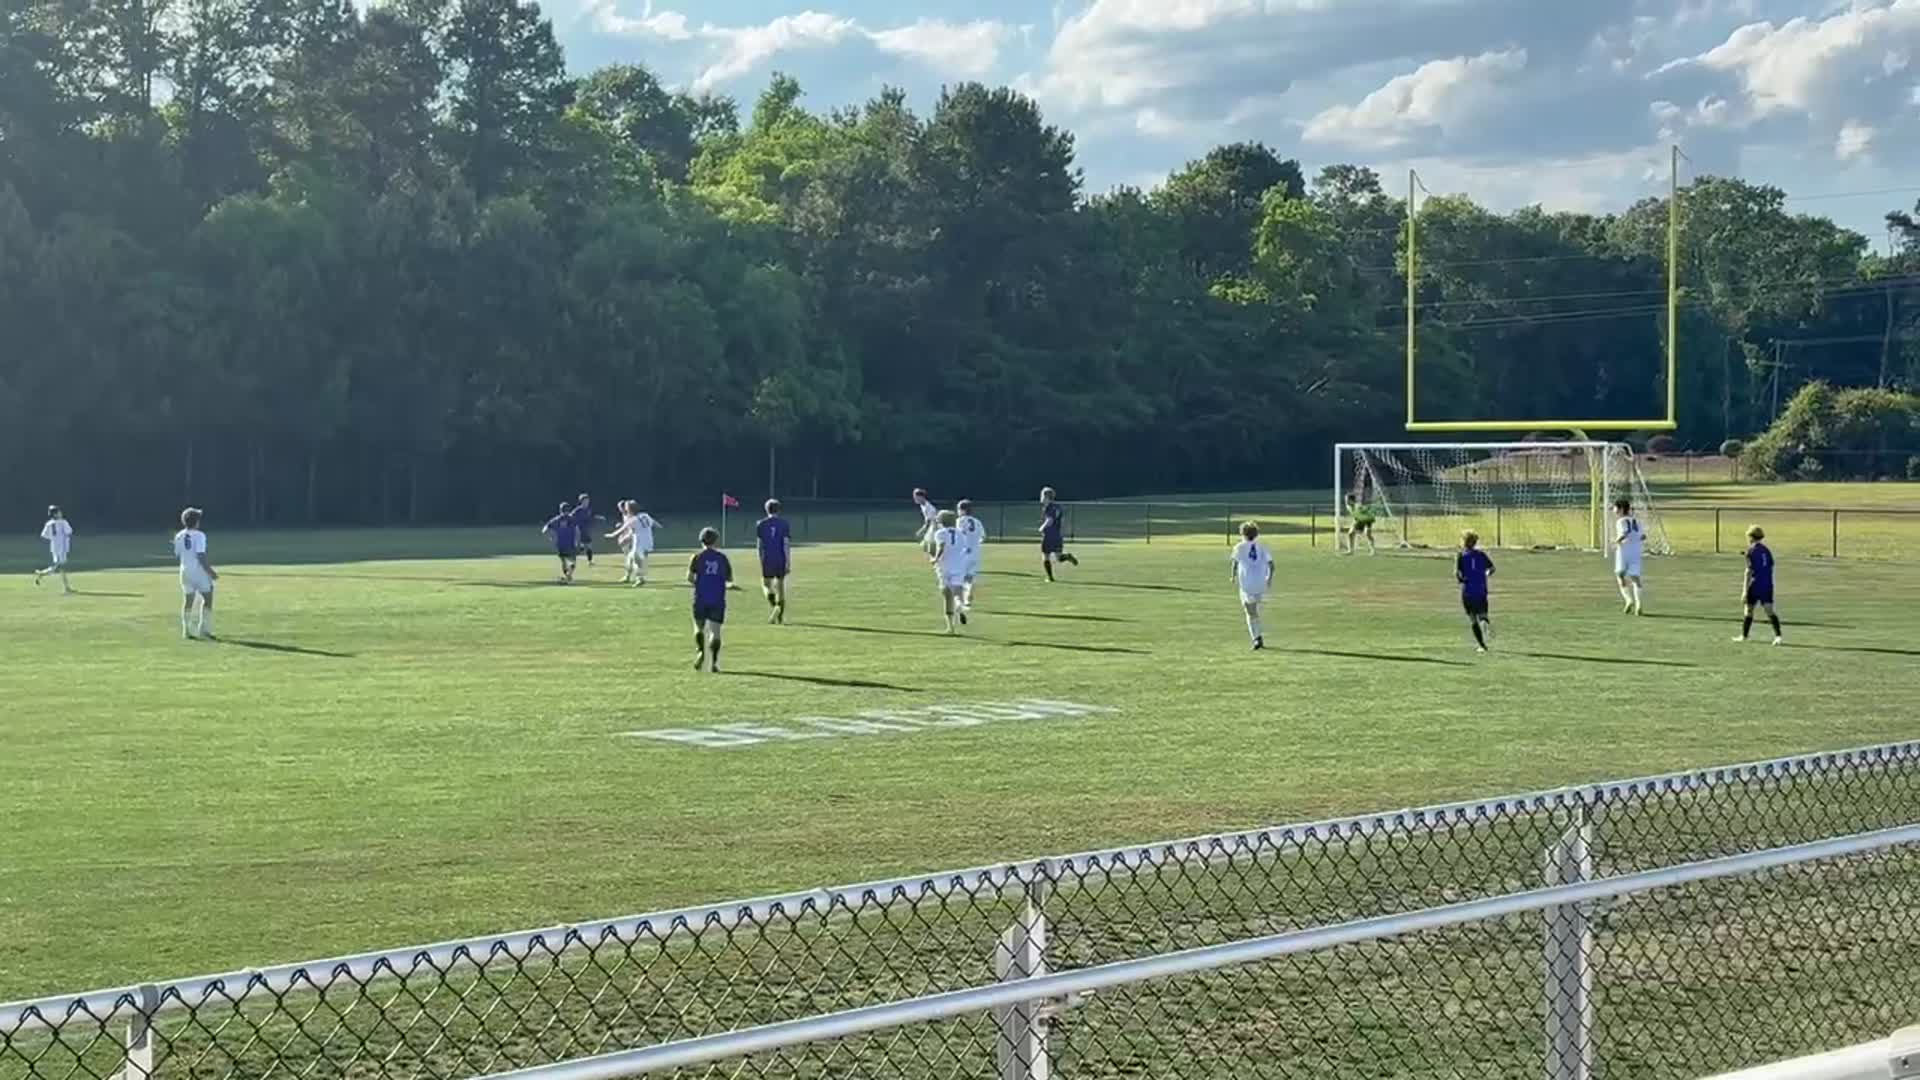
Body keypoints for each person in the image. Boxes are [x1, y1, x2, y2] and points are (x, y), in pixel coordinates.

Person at [688, 527, 735, 672]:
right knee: (715, 631)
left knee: (698, 627)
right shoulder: (722, 558)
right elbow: (730, 579)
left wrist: (700, 583)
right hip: (717, 598)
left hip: (700, 597)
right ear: (716, 541)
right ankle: (714, 662)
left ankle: (700, 651)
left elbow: (689, 578)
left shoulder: (696, 557)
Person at [1735, 525, 1783, 645]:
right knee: (1769, 610)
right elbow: (1771, 565)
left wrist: (1744, 591)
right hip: (1767, 584)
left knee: (1748, 610)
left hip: (1755, 584)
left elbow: (1748, 571)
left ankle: (1745, 636)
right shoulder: (1766, 550)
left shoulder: (1751, 551)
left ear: (1751, 537)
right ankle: (1778, 636)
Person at [174, 507, 218, 640]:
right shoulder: (200, 535)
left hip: (184, 571)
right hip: (198, 571)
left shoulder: (179, 535)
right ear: (196, 521)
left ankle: (186, 630)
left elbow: (177, 553)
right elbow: (201, 556)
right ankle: (203, 629)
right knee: (208, 598)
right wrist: (210, 572)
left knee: (188, 600)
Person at [1230, 521, 1273, 651]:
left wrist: (1232, 576)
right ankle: (1257, 636)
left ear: (1242, 534)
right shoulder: (1263, 546)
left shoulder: (1239, 547)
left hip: (1247, 585)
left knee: (1251, 613)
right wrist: (1268, 578)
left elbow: (1234, 563)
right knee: (1254, 611)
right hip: (1260, 584)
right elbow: (1272, 565)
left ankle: (1257, 638)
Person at [928, 509, 968, 633]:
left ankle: (950, 627)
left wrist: (935, 558)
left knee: (946, 594)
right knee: (957, 592)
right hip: (959, 566)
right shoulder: (961, 534)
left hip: (944, 566)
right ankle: (959, 606)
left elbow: (941, 546)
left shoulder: (940, 533)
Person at [1456, 529, 1496, 653]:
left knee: (1473, 618)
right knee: (1482, 614)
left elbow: (1458, 573)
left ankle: (1482, 645)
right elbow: (1492, 568)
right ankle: (1485, 624)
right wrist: (1485, 574)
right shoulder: (1481, 555)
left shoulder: (1461, 555)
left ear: (1464, 542)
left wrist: (1462, 580)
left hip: (1468, 591)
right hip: (1481, 589)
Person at [608, 501, 661, 586]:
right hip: (648, 542)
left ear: (629, 509)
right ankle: (630, 577)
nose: (625, 509)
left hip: (639, 543)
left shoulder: (633, 519)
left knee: (637, 561)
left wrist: (612, 535)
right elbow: (653, 522)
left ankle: (640, 579)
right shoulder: (644, 515)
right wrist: (660, 526)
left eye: (626, 507)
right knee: (631, 559)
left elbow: (622, 530)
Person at [756, 499, 792, 624]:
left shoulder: (761, 524)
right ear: (779, 510)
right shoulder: (784, 524)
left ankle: (774, 605)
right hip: (780, 558)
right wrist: (788, 561)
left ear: (766, 510)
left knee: (766, 585)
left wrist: (760, 559)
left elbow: (759, 546)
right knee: (780, 587)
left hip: (768, 558)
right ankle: (780, 615)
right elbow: (786, 544)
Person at [1613, 497, 1646, 615]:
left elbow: (1624, 532)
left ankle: (1628, 600)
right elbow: (1643, 536)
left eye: (1615, 507)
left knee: (1620, 574)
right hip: (1636, 551)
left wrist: (1617, 541)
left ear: (1621, 509)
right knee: (1635, 578)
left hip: (1624, 551)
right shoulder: (1637, 521)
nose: (1614, 509)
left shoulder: (1621, 521)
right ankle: (1639, 604)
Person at [1039, 487, 1078, 581]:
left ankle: (1050, 577)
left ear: (1047, 497)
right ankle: (1068, 556)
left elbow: (1050, 520)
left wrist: (1042, 528)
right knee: (1059, 557)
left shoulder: (1048, 508)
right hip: (1057, 535)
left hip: (1049, 536)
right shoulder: (1058, 507)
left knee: (1045, 556)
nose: (1041, 498)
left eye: (1042, 495)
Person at [35, 504, 75, 594]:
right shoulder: (63, 522)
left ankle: (41, 574)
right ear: (56, 514)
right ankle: (66, 588)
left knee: (58, 567)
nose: (61, 513)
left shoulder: (49, 524)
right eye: (59, 512)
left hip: (54, 547)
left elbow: (44, 535)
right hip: (62, 547)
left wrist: (53, 538)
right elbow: (69, 532)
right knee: (60, 567)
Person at [955, 499, 987, 611]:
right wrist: (975, 544)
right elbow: (983, 537)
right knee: (970, 576)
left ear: (963, 510)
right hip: (976, 552)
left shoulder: (960, 520)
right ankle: (969, 596)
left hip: (964, 552)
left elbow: (960, 534)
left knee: (960, 577)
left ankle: (961, 599)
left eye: (959, 509)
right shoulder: (977, 521)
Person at [543, 502, 580, 584]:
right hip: (570, 544)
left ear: (560, 510)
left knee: (564, 561)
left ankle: (567, 577)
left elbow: (546, 527)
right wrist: (577, 541)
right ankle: (568, 577)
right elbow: (577, 530)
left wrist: (549, 535)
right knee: (573, 561)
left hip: (560, 544)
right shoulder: (572, 519)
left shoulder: (557, 519)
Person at [571, 494, 596, 567]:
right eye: (585, 501)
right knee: (585, 546)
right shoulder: (578, 510)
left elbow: (590, 517)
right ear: (581, 501)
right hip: (579, 530)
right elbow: (571, 516)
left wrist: (597, 518)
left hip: (586, 530)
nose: (587, 502)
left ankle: (590, 561)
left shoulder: (589, 509)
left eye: (588, 500)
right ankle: (573, 558)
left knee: (588, 546)